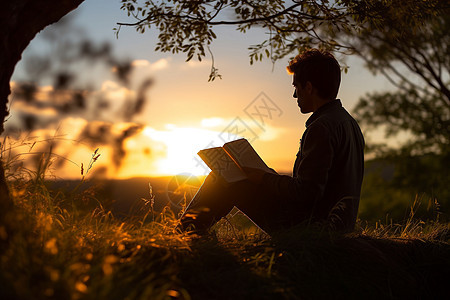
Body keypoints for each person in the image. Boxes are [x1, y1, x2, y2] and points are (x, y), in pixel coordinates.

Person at [179, 49, 365, 234]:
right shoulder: (349, 123)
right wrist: (268, 177)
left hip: (310, 228)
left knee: (222, 174)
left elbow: (308, 193)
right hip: (337, 226)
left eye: (296, 87)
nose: (294, 95)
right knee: (235, 173)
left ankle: (183, 234)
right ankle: (191, 233)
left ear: (308, 87)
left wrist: (263, 178)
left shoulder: (321, 127)